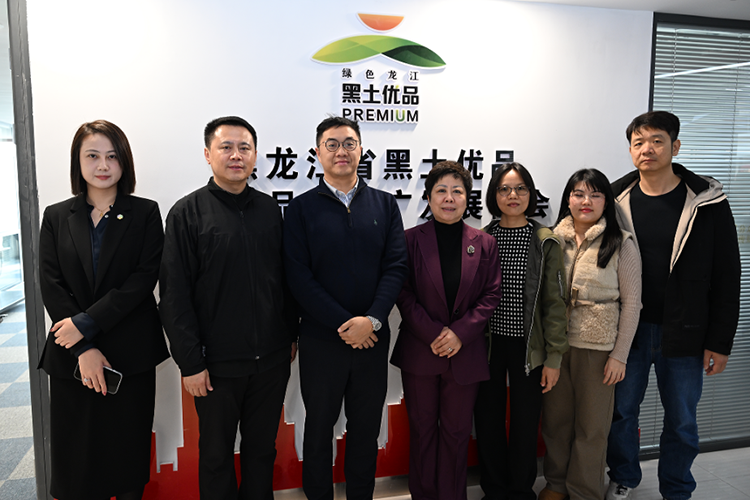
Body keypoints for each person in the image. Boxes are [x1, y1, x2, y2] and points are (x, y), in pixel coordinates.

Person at [159, 116, 297, 500]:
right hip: (214, 365)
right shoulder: (187, 213)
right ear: (208, 154)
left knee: (261, 451)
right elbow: (174, 295)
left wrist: (290, 335)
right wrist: (190, 362)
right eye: (226, 147)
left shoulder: (269, 209)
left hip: (271, 360)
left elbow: (285, 281)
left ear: (255, 155)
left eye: (244, 148)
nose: (236, 155)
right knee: (216, 456)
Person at [606, 111, 740, 500]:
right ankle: (624, 477)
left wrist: (720, 341)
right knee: (620, 413)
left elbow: (727, 274)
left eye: (657, 141)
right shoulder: (615, 200)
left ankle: (677, 488)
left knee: (681, 420)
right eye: (638, 142)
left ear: (675, 146)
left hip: (685, 332)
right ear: (630, 150)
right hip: (628, 332)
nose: (647, 149)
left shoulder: (707, 202)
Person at [38, 120, 169, 500]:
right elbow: (51, 283)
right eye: (92, 156)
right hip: (71, 355)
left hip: (130, 352)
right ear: (77, 162)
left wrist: (87, 323)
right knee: (76, 460)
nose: (103, 165)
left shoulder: (145, 212)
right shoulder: (56, 216)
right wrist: (83, 347)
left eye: (112, 156)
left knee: (126, 456)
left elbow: (143, 279)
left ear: (124, 161)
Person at [283, 116, 408, 500]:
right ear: (318, 152)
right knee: (319, 428)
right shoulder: (300, 209)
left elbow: (396, 266)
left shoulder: (385, 204)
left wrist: (372, 320)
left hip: (372, 339)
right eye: (332, 144)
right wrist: (345, 323)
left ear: (361, 150)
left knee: (365, 429)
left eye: (349, 143)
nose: (342, 151)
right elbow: (298, 276)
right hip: (321, 340)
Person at [391, 161, 502, 500]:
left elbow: (491, 295)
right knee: (422, 430)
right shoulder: (410, 240)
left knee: (456, 433)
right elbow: (402, 293)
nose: (449, 198)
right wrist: (434, 334)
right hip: (420, 352)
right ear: (428, 197)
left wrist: (459, 334)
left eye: (457, 191)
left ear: (468, 198)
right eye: (441, 191)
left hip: (465, 353)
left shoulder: (484, 243)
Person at [539, 169, 642, 500]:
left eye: (595, 195)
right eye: (579, 193)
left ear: (606, 202)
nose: (586, 201)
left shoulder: (621, 242)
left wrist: (619, 355)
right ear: (568, 199)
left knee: (592, 427)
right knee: (556, 423)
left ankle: (584, 491)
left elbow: (633, 304)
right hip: (556, 347)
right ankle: (556, 484)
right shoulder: (552, 240)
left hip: (598, 349)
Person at [474, 163, 568, 500]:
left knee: (525, 422)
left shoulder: (544, 240)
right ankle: (494, 489)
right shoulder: (482, 238)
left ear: (531, 194)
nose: (512, 195)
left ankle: (520, 490)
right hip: (487, 346)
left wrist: (554, 357)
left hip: (530, 346)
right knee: (488, 419)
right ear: (493, 195)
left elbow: (555, 303)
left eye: (520, 189)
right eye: (504, 189)